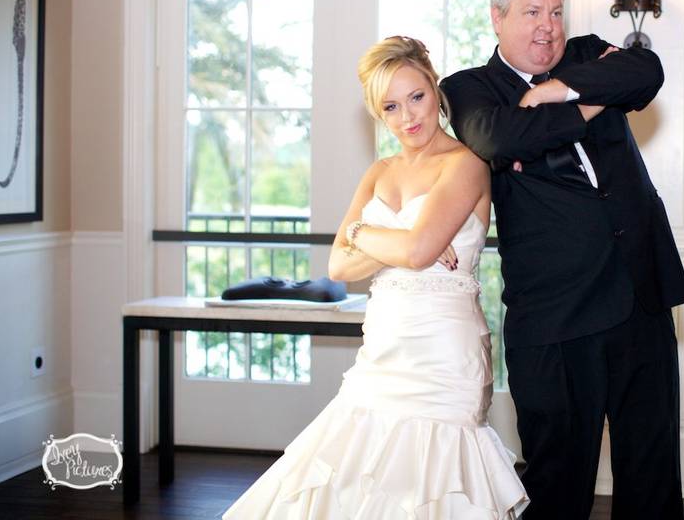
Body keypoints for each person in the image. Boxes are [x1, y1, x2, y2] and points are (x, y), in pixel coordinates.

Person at [223, 36, 529, 519]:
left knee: (433, 489)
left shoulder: (466, 164)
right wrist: (392, 239)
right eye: (391, 106)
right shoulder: (379, 171)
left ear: (435, 88)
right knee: (353, 483)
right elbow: (338, 267)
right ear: (377, 113)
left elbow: (414, 249)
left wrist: (372, 235)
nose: (408, 117)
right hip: (383, 351)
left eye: (417, 97)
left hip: (442, 355)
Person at [441, 0, 684, 519]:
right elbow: (499, 136)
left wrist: (553, 90)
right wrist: (588, 99)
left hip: (641, 295)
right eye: (531, 12)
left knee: (652, 469)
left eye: (555, 11)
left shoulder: (582, 53)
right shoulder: (469, 88)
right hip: (556, 314)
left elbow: (644, 72)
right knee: (560, 479)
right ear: (497, 18)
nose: (547, 27)